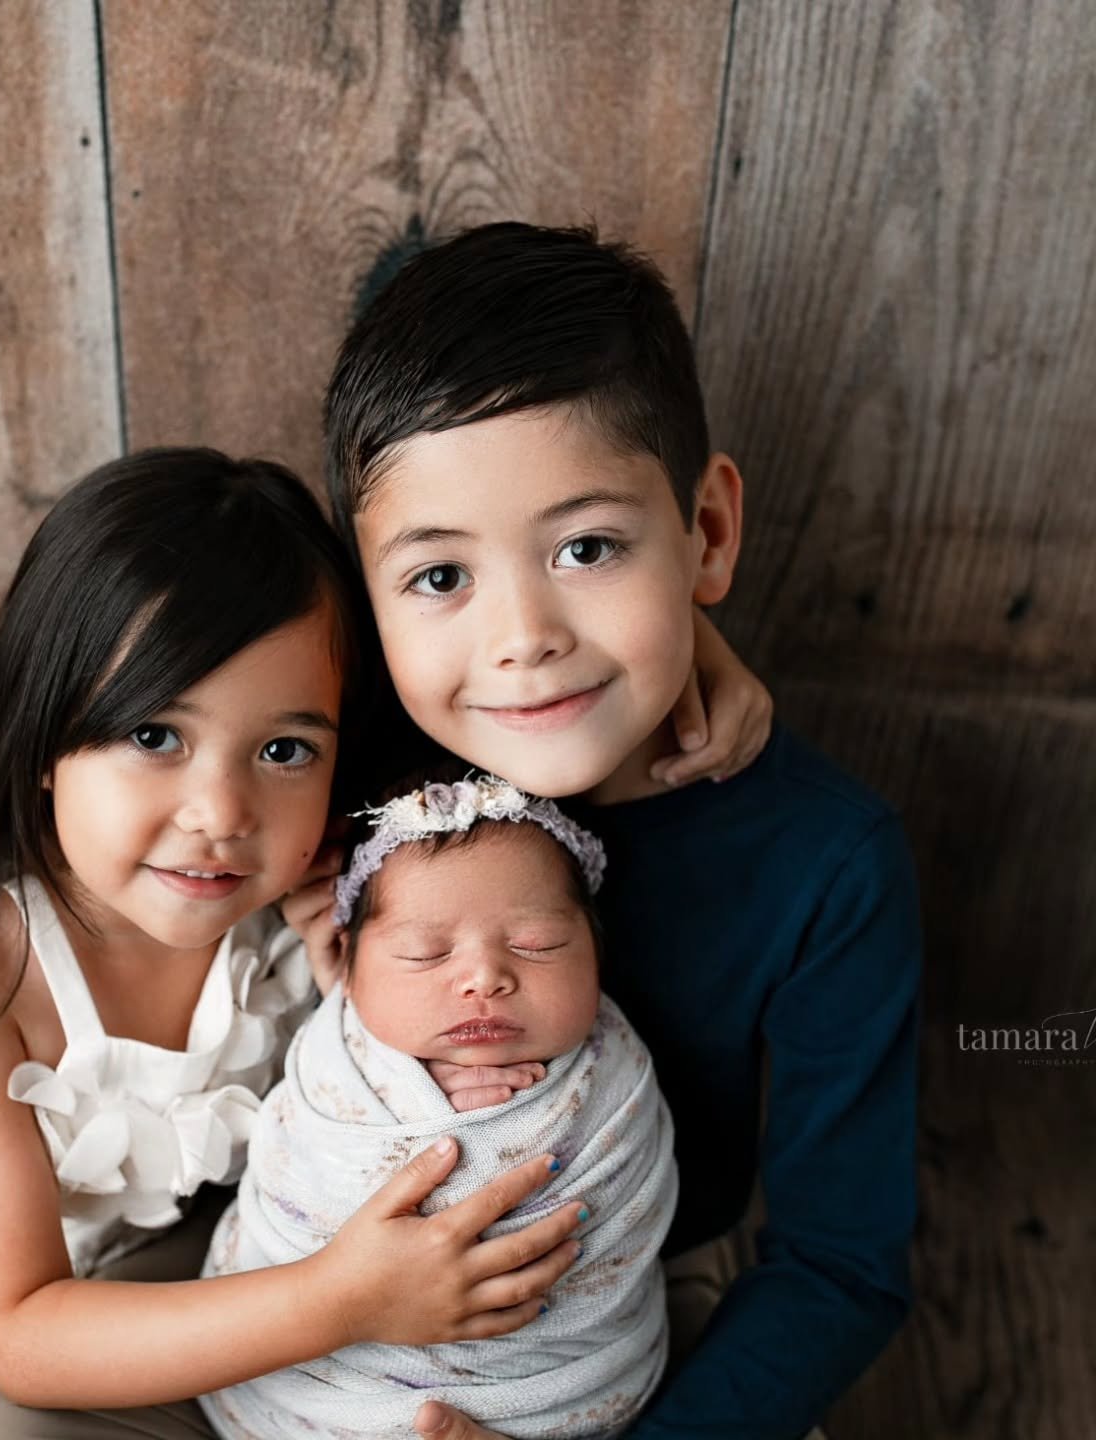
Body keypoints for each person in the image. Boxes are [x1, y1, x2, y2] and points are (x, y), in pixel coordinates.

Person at [0, 451, 590, 1440]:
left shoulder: (313, 902)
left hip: (175, 1281)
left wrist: (350, 1006)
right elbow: (19, 1331)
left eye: (284, 751)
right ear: (47, 735)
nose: (221, 813)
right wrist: (343, 1299)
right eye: (155, 736)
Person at [290, 221, 923, 1440]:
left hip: (622, 1318)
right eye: (440, 579)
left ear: (710, 533)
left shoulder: (825, 865)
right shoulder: (349, 751)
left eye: (588, 548)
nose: (522, 636)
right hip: (287, 1268)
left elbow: (842, 1264)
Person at [201, 771, 678, 1440]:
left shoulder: (617, 1071)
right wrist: (415, 1115)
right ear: (347, 970)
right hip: (327, 1384)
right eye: (424, 954)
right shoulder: (336, 1060)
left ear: (598, 954)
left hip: (555, 1383)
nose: (484, 977)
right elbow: (306, 1181)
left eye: (536, 945)